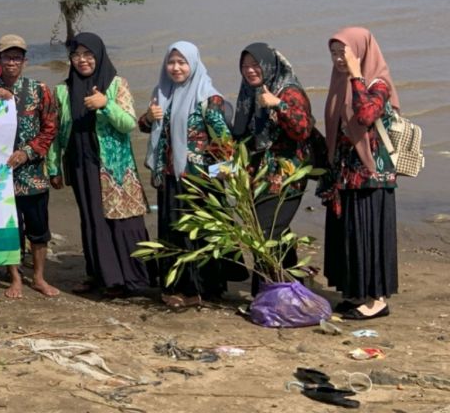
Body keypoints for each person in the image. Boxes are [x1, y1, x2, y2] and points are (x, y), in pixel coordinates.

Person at [140, 41, 236, 308]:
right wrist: (148, 117)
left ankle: (197, 290)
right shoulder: (161, 93)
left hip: (199, 180)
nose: (176, 68)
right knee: (173, 231)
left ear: (193, 63)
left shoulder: (209, 98)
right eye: (171, 62)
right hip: (170, 177)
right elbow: (145, 126)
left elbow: (224, 143)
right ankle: (177, 285)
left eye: (182, 62)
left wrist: (227, 179)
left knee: (196, 233)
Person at [53, 34, 150, 298]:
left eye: (88, 54)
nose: (82, 60)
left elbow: (129, 123)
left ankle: (133, 277)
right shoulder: (63, 90)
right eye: (76, 55)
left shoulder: (117, 84)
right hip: (81, 164)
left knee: (123, 219)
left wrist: (106, 105)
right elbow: (58, 133)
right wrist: (54, 168)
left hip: (115, 165)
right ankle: (102, 276)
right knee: (93, 220)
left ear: (99, 55)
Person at [321, 27, 399, 321]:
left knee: (370, 234)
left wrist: (356, 76)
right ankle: (356, 293)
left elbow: (366, 115)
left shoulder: (379, 83)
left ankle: (377, 299)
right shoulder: (338, 82)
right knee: (351, 235)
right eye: (334, 53)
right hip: (345, 175)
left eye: (345, 52)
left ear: (361, 51)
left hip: (371, 176)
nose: (340, 59)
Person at [0, 34, 62, 301]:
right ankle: (15, 277)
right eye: (7, 57)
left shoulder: (40, 89)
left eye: (17, 57)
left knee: (39, 230)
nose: (12, 62)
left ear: (24, 61)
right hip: (1, 177)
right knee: (10, 228)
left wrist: (27, 153)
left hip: (33, 175)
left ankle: (38, 277)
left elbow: (50, 129)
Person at [231, 42, 314, 295]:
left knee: (266, 232)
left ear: (269, 65)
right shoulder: (248, 93)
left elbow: (303, 129)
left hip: (287, 175)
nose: (250, 71)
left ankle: (269, 292)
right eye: (245, 66)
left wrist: (278, 104)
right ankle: (291, 288)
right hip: (258, 176)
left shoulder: (289, 91)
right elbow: (241, 137)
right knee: (274, 231)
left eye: (256, 65)